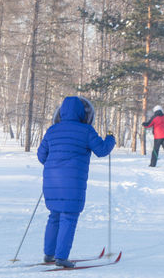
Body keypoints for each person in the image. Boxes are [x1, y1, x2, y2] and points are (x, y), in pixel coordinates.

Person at [37, 96, 115, 268]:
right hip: (72, 184)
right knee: (69, 217)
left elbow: (41, 155)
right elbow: (101, 150)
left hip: (51, 182)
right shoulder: (86, 130)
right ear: (82, 112)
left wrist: (54, 165)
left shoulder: (52, 130)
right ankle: (61, 257)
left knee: (54, 216)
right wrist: (110, 138)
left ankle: (49, 254)